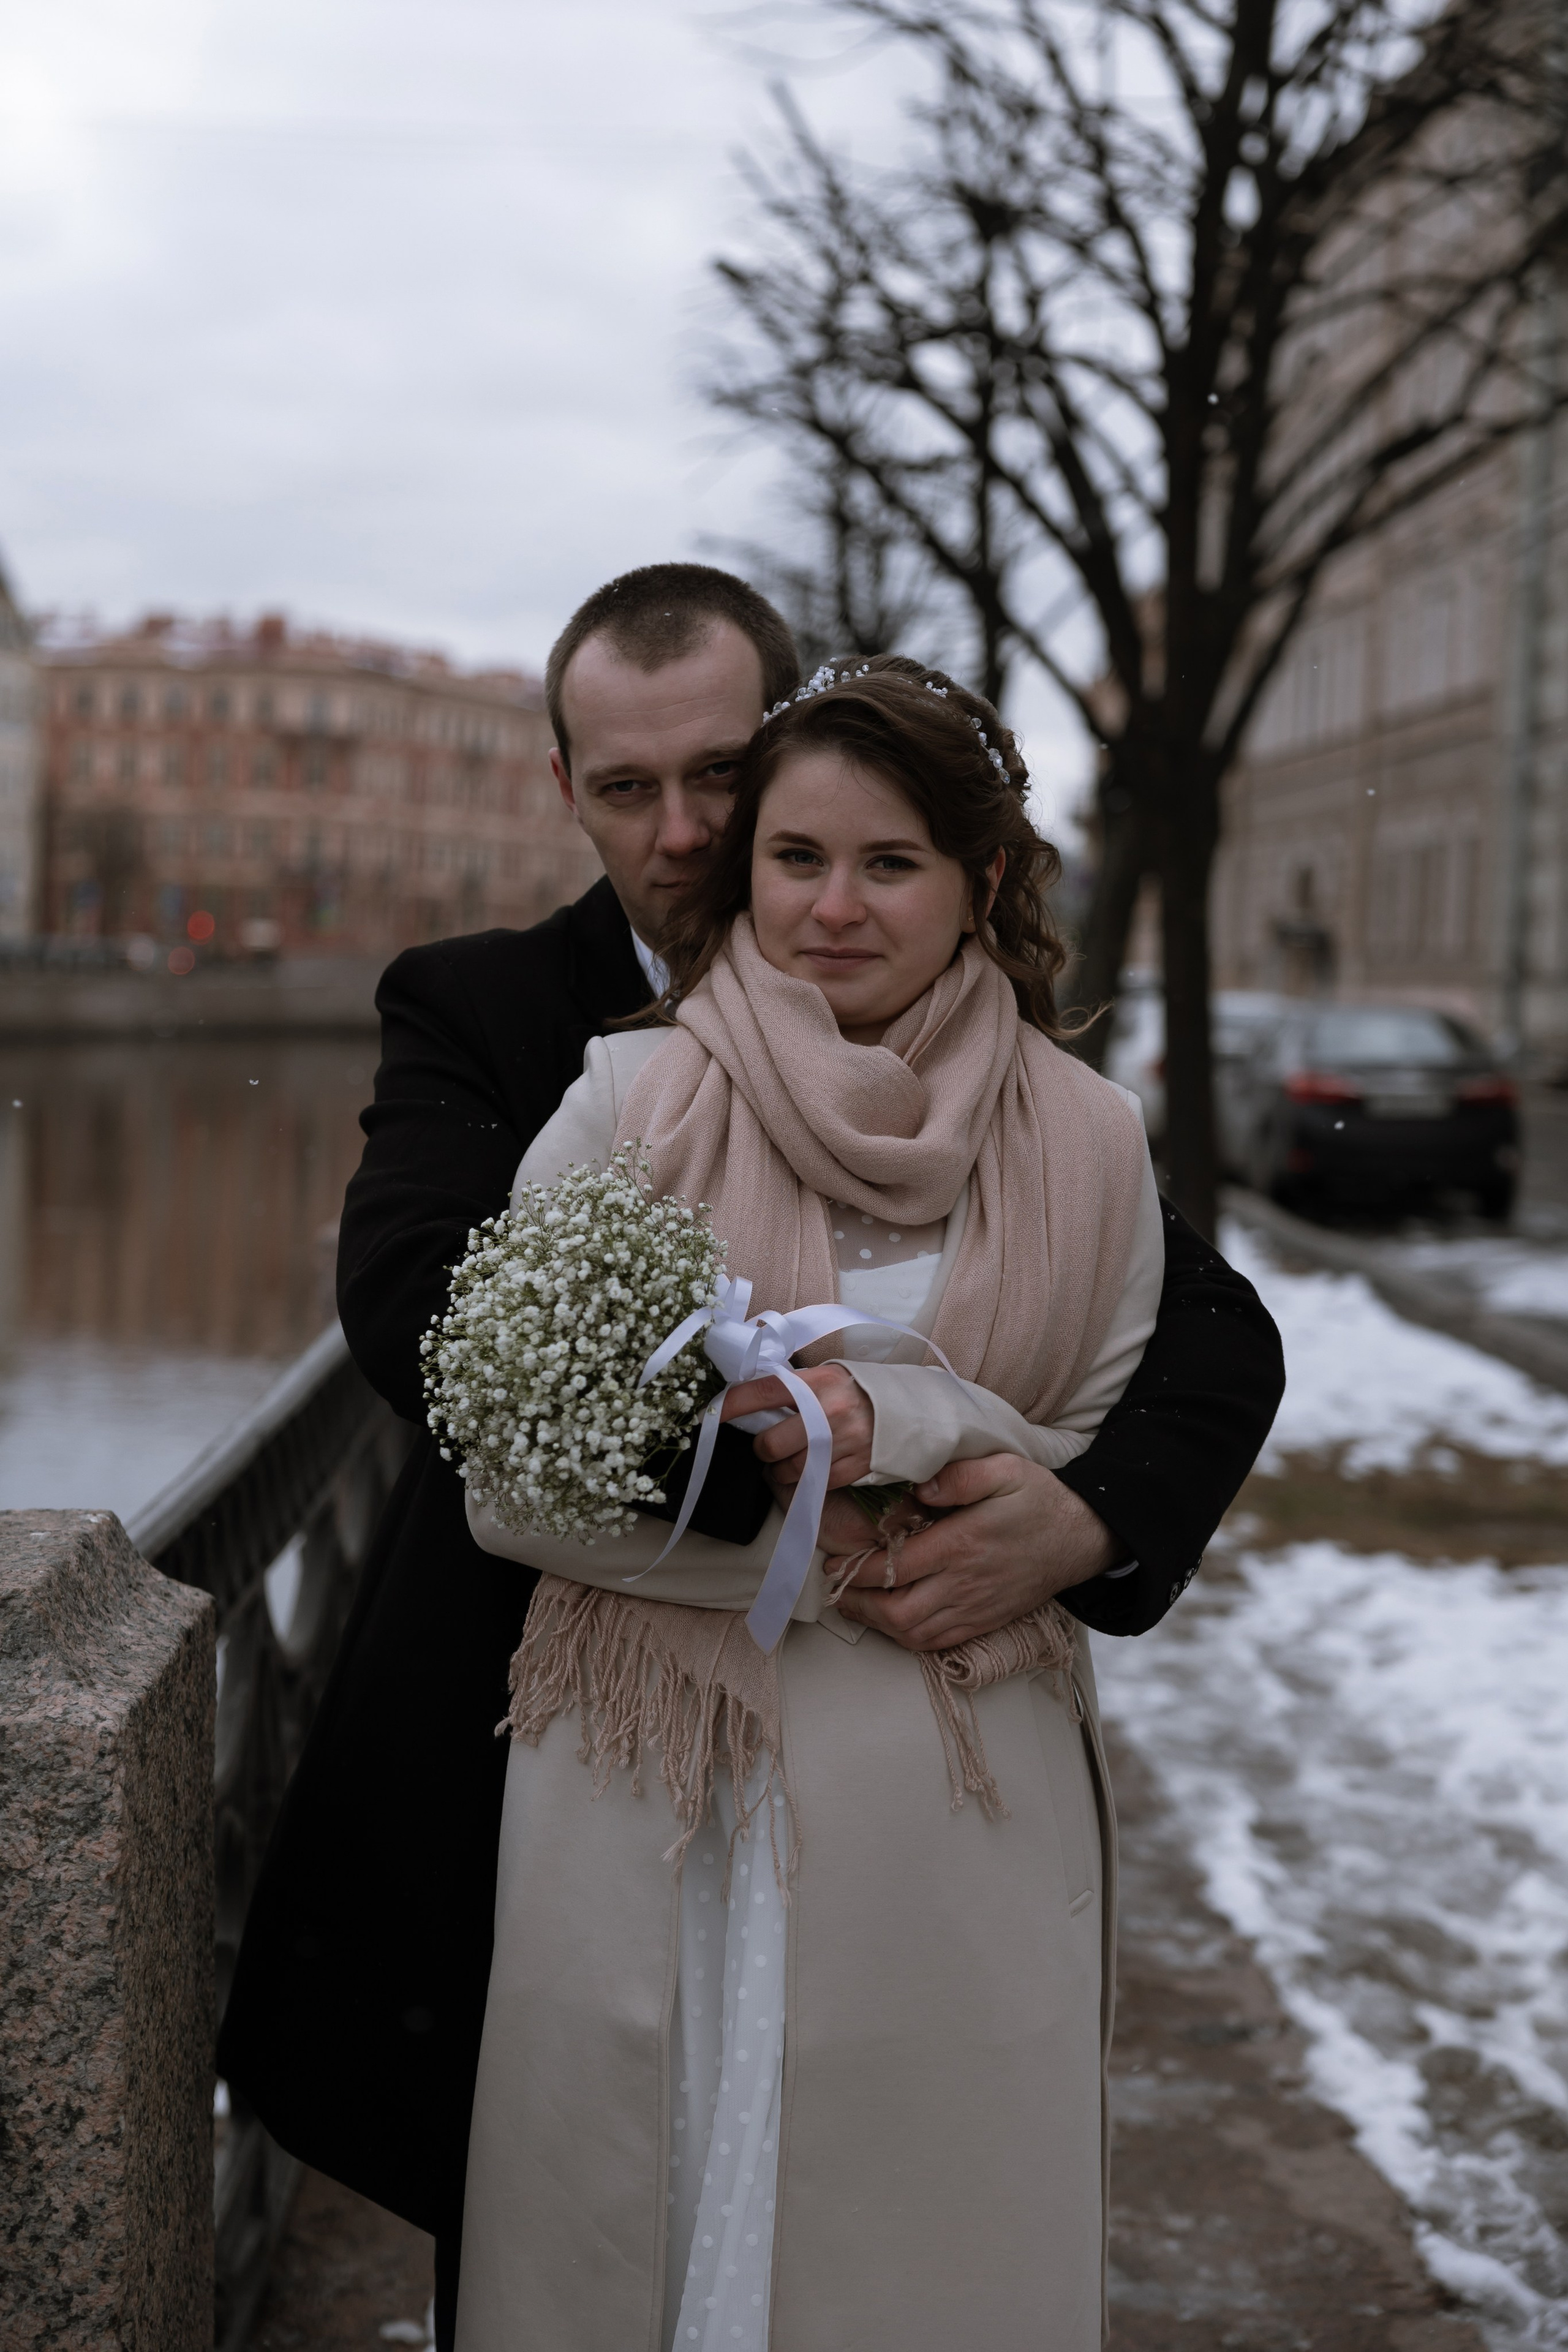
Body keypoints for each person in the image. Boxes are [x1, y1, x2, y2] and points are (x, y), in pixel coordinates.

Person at [217, 567, 1283, 2349]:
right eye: (631, 791)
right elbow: (430, 1319)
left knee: (899, 2233)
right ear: (569, 792)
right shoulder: (531, 1027)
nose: (692, 833)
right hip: (572, 1737)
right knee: (597, 2206)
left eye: (724, 776)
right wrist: (808, 1501)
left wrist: (1085, 1520)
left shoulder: (1059, 1119)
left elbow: (1199, 1331)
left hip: (938, 1792)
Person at [456, 655, 1176, 2348]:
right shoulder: (629, 1098)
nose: (835, 908)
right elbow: (510, 1465)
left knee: (922, 2261)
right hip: (659, 1787)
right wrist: (816, 1558)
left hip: (959, 1793)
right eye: (798, 861)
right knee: (646, 2218)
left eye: (892, 863)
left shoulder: (1095, 1141)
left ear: (981, 881)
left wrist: (904, 1414)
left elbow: (1079, 1441)